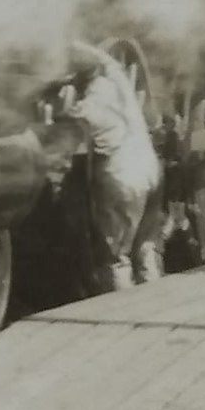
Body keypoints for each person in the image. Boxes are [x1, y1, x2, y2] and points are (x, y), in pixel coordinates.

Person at [61, 42, 163, 294]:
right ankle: (156, 301)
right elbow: (110, 62)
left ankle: (123, 310)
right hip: (151, 172)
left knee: (116, 258)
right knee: (146, 249)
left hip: (122, 180)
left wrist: (61, 104)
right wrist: (78, 45)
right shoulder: (120, 81)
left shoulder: (90, 104)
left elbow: (68, 123)